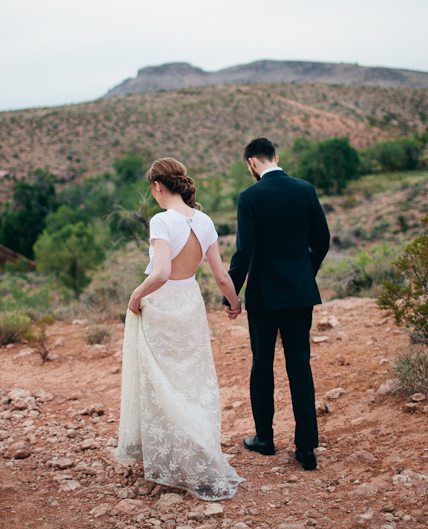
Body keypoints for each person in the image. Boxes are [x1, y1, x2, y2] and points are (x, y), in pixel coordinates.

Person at [116, 157, 245, 500]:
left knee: (162, 380)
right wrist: (234, 303)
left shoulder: (161, 221)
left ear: (158, 185)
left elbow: (159, 273)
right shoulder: (203, 221)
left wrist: (135, 295)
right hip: (190, 302)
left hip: (161, 303)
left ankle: (177, 457)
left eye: (152, 188)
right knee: (192, 379)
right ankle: (200, 453)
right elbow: (220, 275)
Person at [224, 137, 330, 471]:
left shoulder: (250, 197)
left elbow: (243, 252)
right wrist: (304, 275)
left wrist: (231, 295)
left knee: (262, 365)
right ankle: (307, 448)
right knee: (300, 364)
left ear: (252, 163)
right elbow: (322, 241)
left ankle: (265, 439)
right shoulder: (305, 190)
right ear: (276, 157)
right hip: (300, 294)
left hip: (264, 297)